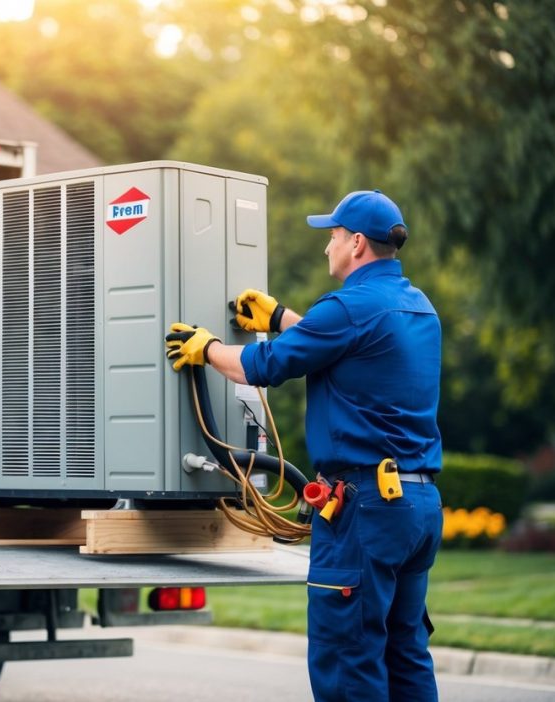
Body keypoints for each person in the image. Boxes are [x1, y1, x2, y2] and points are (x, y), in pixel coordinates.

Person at [165, 190, 443, 701]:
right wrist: (280, 319)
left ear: (357, 244)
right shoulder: (416, 307)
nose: (327, 247)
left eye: (333, 236)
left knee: (349, 660)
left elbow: (260, 367)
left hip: (365, 509)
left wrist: (207, 348)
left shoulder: (348, 306)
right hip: (417, 506)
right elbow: (349, 345)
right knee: (404, 654)